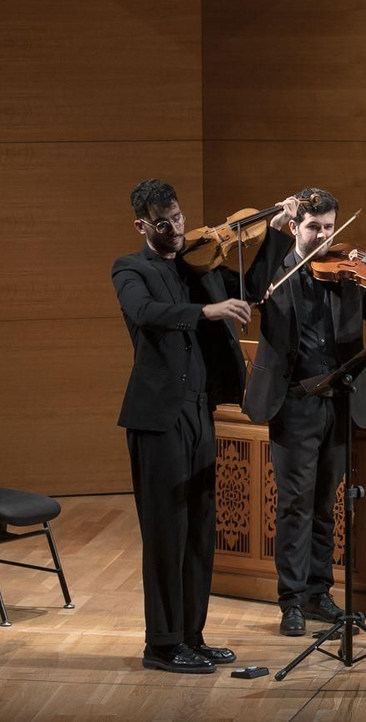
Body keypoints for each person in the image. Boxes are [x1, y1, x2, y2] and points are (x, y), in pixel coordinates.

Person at [113, 179, 282, 673]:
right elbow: (145, 313)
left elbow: (258, 287)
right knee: (166, 530)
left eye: (179, 218)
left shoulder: (200, 266)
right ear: (143, 225)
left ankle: (192, 635)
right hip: (156, 418)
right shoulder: (131, 268)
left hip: (200, 411)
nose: (176, 229)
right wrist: (205, 311)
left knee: (200, 531)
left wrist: (270, 234)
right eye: (164, 223)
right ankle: (161, 645)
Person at [240, 187, 366, 636]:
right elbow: (255, 292)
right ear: (297, 227)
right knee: (295, 504)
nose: (323, 236)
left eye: (328, 227)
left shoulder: (350, 274)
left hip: (339, 400)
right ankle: (291, 601)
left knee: (327, 504)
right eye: (313, 228)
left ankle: (320, 594)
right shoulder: (278, 268)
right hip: (294, 403)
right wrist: (276, 235)